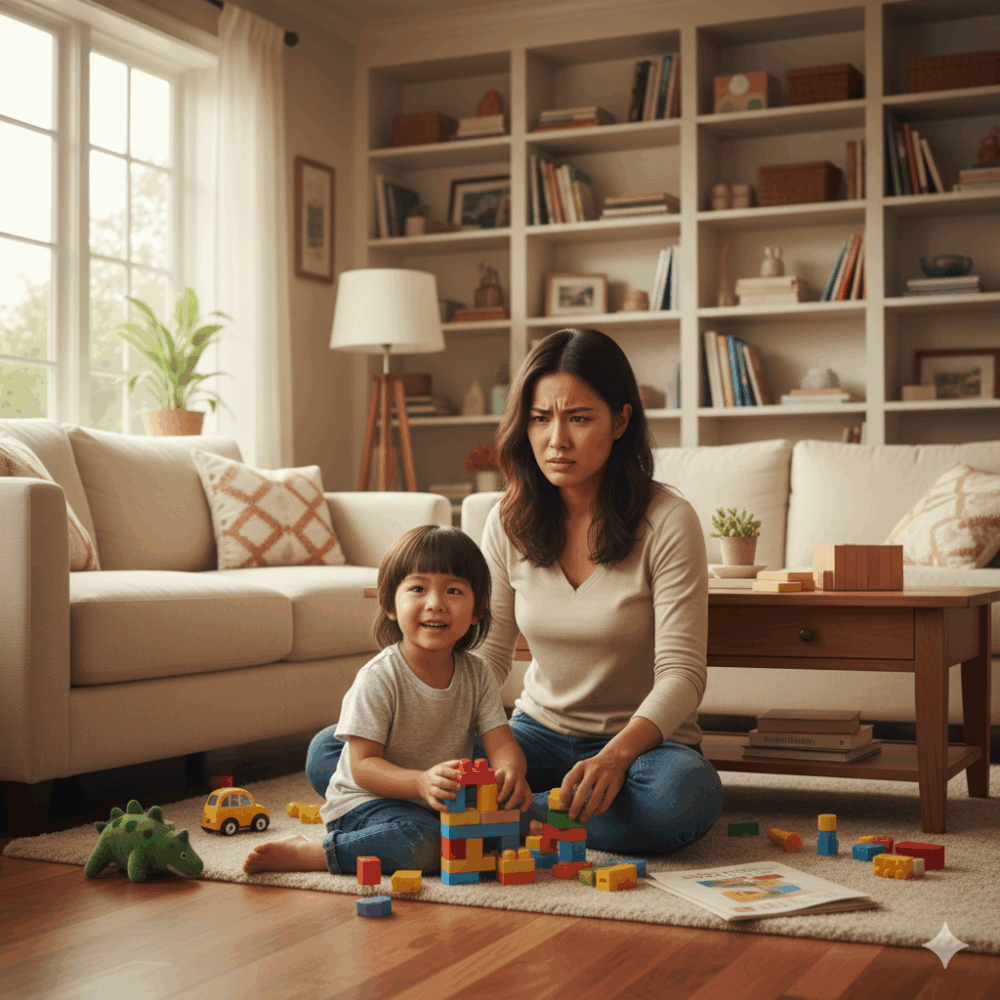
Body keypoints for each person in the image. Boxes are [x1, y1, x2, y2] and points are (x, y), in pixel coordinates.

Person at [472, 327, 723, 855]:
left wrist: (614, 758)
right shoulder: (507, 520)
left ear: (621, 420)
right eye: (540, 418)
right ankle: (538, 814)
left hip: (642, 749)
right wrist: (418, 711)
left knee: (682, 796)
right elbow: (489, 658)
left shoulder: (668, 521)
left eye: (579, 418)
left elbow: (682, 674)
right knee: (335, 751)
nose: (556, 440)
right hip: (535, 736)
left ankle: (503, 819)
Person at [243, 525, 532, 877]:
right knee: (421, 845)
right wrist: (419, 782)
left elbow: (500, 740)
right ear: (390, 604)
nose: (436, 603)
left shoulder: (477, 673)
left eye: (454, 590)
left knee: (513, 826)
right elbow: (363, 766)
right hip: (369, 802)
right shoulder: (380, 676)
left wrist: (511, 770)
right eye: (417, 589)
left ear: (477, 611)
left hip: (436, 798)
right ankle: (314, 854)